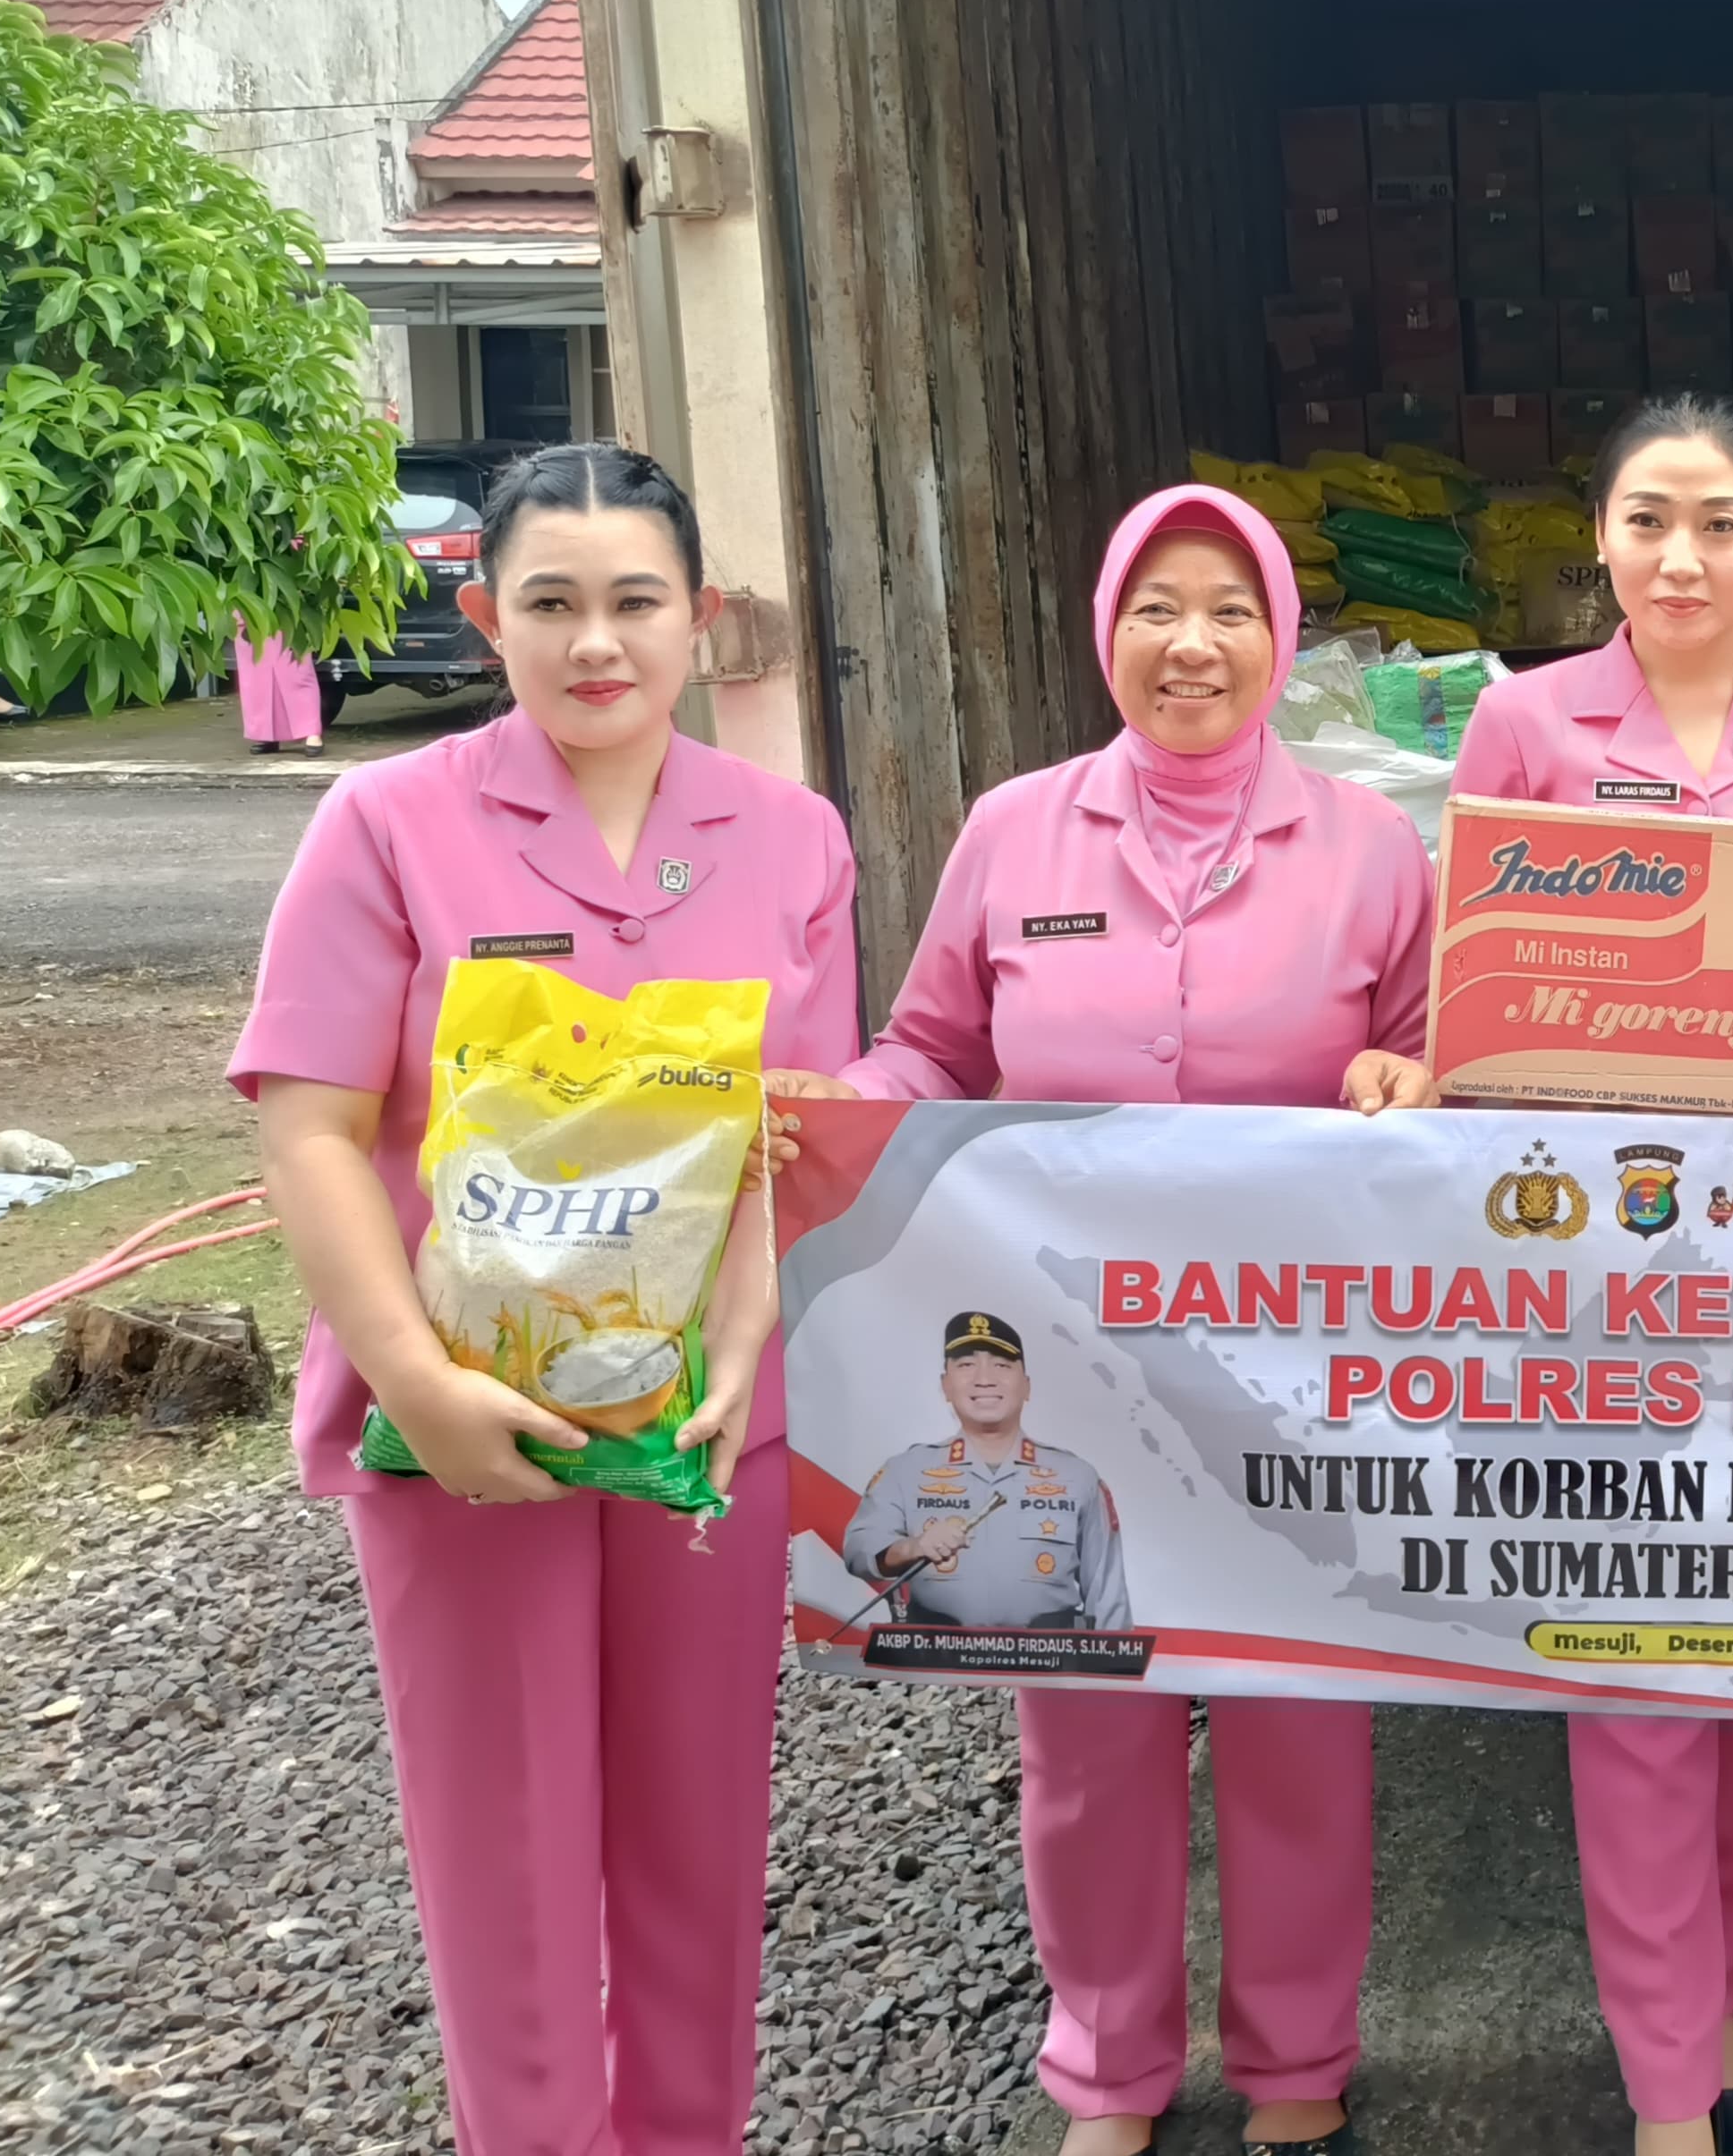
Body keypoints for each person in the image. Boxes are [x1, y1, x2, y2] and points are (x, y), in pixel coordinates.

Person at [775, 478, 1431, 2156]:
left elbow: (1442, 1062)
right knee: (1081, 1729)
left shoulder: (1369, 846)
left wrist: (1406, 1074)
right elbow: (928, 1048)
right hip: (1055, 1369)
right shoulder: (1018, 831)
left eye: (1229, 608)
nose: (1190, 643)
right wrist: (839, 1112)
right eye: (1156, 606)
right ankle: (1106, 2072)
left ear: (1281, 637)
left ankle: (1298, 2073)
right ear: (1106, 631)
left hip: (1292, 1381)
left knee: (1301, 1723)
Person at [234, 442, 863, 2156]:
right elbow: (310, 1123)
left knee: (695, 1830)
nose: (599, 643)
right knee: (505, 1851)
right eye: (553, 604)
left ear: (702, 619)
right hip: (466, 1417)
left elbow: (782, 1137)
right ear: (484, 615)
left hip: (707, 1424)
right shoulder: (388, 822)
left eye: (636, 602)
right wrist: (414, 1384)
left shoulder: (789, 835)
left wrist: (745, 1349)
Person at [1448, 394, 1733, 2156]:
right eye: (1645, 520)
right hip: (1598, 1280)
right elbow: (1467, 992)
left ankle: (1709, 2006)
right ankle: (1667, 2098)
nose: (1679, 557)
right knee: (1631, 1666)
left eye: (1716, 521)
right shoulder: (1525, 718)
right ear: (1600, 539)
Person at [844, 1312, 1131, 1630]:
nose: (984, 1378)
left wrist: (1113, 1671)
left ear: (1027, 1387)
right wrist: (912, 1547)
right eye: (966, 1365)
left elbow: (1107, 1595)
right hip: (936, 1663)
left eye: (1002, 1366)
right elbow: (858, 1551)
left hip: (1049, 1661)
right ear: (945, 1386)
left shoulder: (1077, 1476)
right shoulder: (905, 1470)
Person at [232, 620, 324, 756]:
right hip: (247, 612)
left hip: (286, 610)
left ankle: (311, 731)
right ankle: (266, 734)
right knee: (256, 678)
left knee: (296, 673)